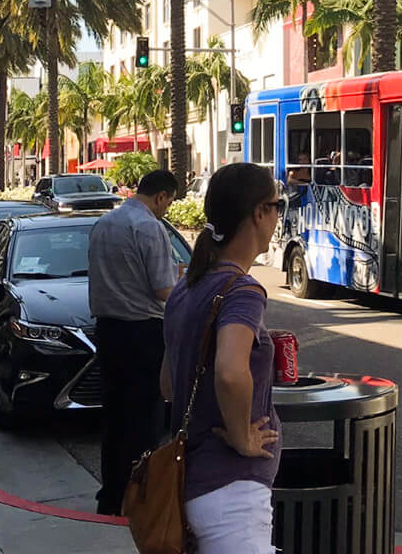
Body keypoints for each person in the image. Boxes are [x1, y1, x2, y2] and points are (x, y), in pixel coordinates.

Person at [160, 164, 283, 554]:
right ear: (259, 213)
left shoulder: (188, 287)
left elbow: (167, 382)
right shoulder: (242, 290)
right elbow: (230, 373)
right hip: (233, 493)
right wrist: (242, 435)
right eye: (277, 206)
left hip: (193, 484)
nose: (279, 216)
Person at [88, 168, 180, 515]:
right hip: (143, 333)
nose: (167, 209)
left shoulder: (104, 224)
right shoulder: (149, 228)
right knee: (145, 422)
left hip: (108, 331)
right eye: (169, 202)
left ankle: (111, 496)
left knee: (114, 418)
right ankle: (139, 499)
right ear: (161, 196)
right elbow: (162, 289)